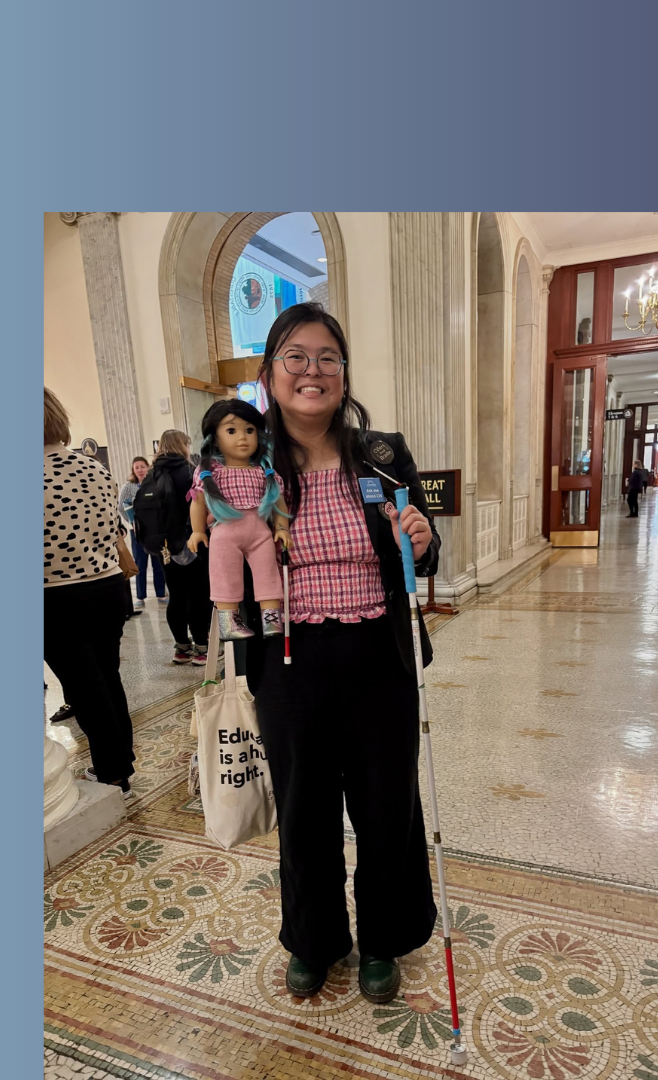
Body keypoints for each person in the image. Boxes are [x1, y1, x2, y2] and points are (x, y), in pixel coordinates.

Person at [243, 302, 441, 1007]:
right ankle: (314, 940)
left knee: (387, 805)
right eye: (295, 356)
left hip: (377, 655)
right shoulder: (248, 466)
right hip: (288, 660)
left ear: (344, 373)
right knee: (304, 808)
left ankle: (383, 939)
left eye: (328, 356)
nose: (313, 370)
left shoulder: (380, 455)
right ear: (269, 374)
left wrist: (418, 538)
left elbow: (425, 550)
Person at [43, 388, 136, 798]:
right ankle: (122, 758)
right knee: (106, 678)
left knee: (85, 688)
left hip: (56, 595)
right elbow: (114, 530)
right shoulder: (95, 468)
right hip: (106, 587)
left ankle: (113, 770)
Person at [188, 399, 292, 640]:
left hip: (260, 532)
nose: (242, 438)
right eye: (231, 430)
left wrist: (282, 527)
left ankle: (272, 619)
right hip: (224, 533)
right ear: (214, 438)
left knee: (268, 573)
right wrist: (197, 531)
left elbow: (278, 503)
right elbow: (197, 502)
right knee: (225, 575)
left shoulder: (264, 472)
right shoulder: (210, 472)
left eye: (250, 430)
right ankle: (229, 623)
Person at [150, 429, 213, 665]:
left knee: (176, 595)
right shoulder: (189, 471)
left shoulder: (152, 472)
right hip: (190, 541)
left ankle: (182, 648)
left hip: (164, 547)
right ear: (183, 445)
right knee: (198, 595)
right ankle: (203, 648)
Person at [120, 456, 167, 613]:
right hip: (137, 531)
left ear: (148, 468)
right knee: (140, 563)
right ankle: (140, 597)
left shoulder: (154, 483)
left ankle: (161, 593)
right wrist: (131, 522)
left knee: (157, 562)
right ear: (133, 470)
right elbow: (121, 506)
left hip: (153, 530)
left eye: (142, 466)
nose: (140, 470)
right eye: (137, 467)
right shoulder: (128, 486)